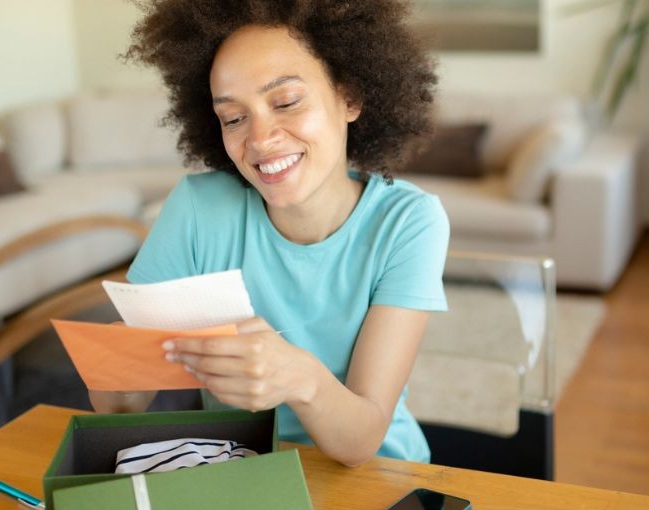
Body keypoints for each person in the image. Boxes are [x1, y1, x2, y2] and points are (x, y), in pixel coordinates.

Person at [112, 0, 447, 467]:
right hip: (238, 474)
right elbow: (119, 405)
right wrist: (119, 369)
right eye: (233, 118)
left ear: (349, 98)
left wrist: (298, 377)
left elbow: (361, 440)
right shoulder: (197, 208)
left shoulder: (408, 222)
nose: (260, 139)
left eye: (286, 102)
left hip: (374, 476)